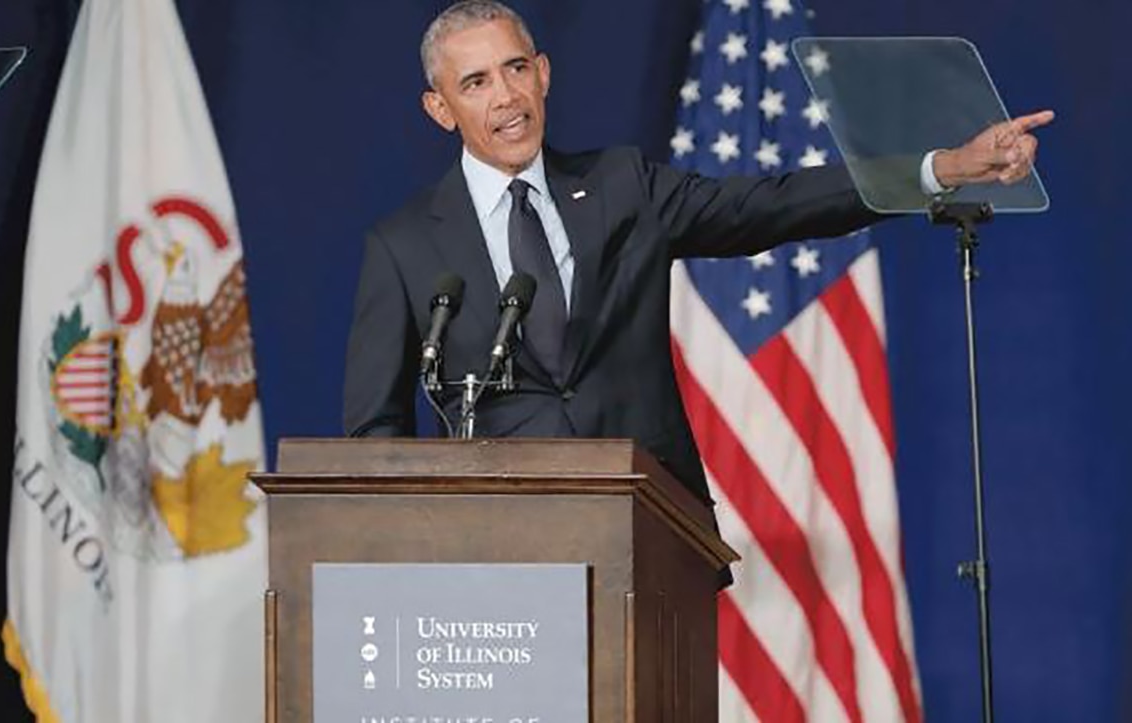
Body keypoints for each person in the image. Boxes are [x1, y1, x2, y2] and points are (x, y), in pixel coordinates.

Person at [343, 0, 1052, 502]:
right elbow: (376, 431)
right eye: (476, 82)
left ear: (544, 73)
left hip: (651, 527)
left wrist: (940, 168)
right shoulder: (404, 245)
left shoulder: (622, 185)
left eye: (516, 68)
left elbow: (770, 204)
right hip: (492, 551)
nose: (506, 96)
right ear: (440, 108)